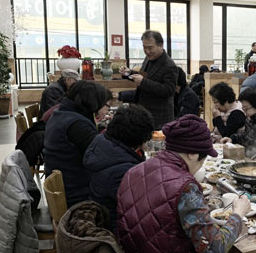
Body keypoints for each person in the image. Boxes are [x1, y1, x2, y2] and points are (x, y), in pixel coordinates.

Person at [117, 115, 251, 253]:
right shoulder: (184, 186)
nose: (202, 164)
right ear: (191, 153)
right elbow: (215, 250)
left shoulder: (134, 170)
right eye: (203, 158)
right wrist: (238, 214)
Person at [84, 104, 154, 231]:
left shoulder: (102, 141)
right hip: (117, 230)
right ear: (138, 140)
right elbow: (141, 209)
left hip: (103, 217)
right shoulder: (122, 171)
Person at [44, 80, 112, 208]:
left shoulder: (61, 113)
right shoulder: (77, 124)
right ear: (93, 101)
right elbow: (103, 155)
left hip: (65, 186)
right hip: (77, 194)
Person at [118, 30, 178, 129]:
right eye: (144, 47)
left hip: (159, 116)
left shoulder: (169, 65)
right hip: (144, 111)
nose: (147, 51)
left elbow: (168, 91)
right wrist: (129, 73)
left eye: (150, 48)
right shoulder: (149, 58)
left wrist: (143, 82)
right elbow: (145, 76)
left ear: (160, 45)